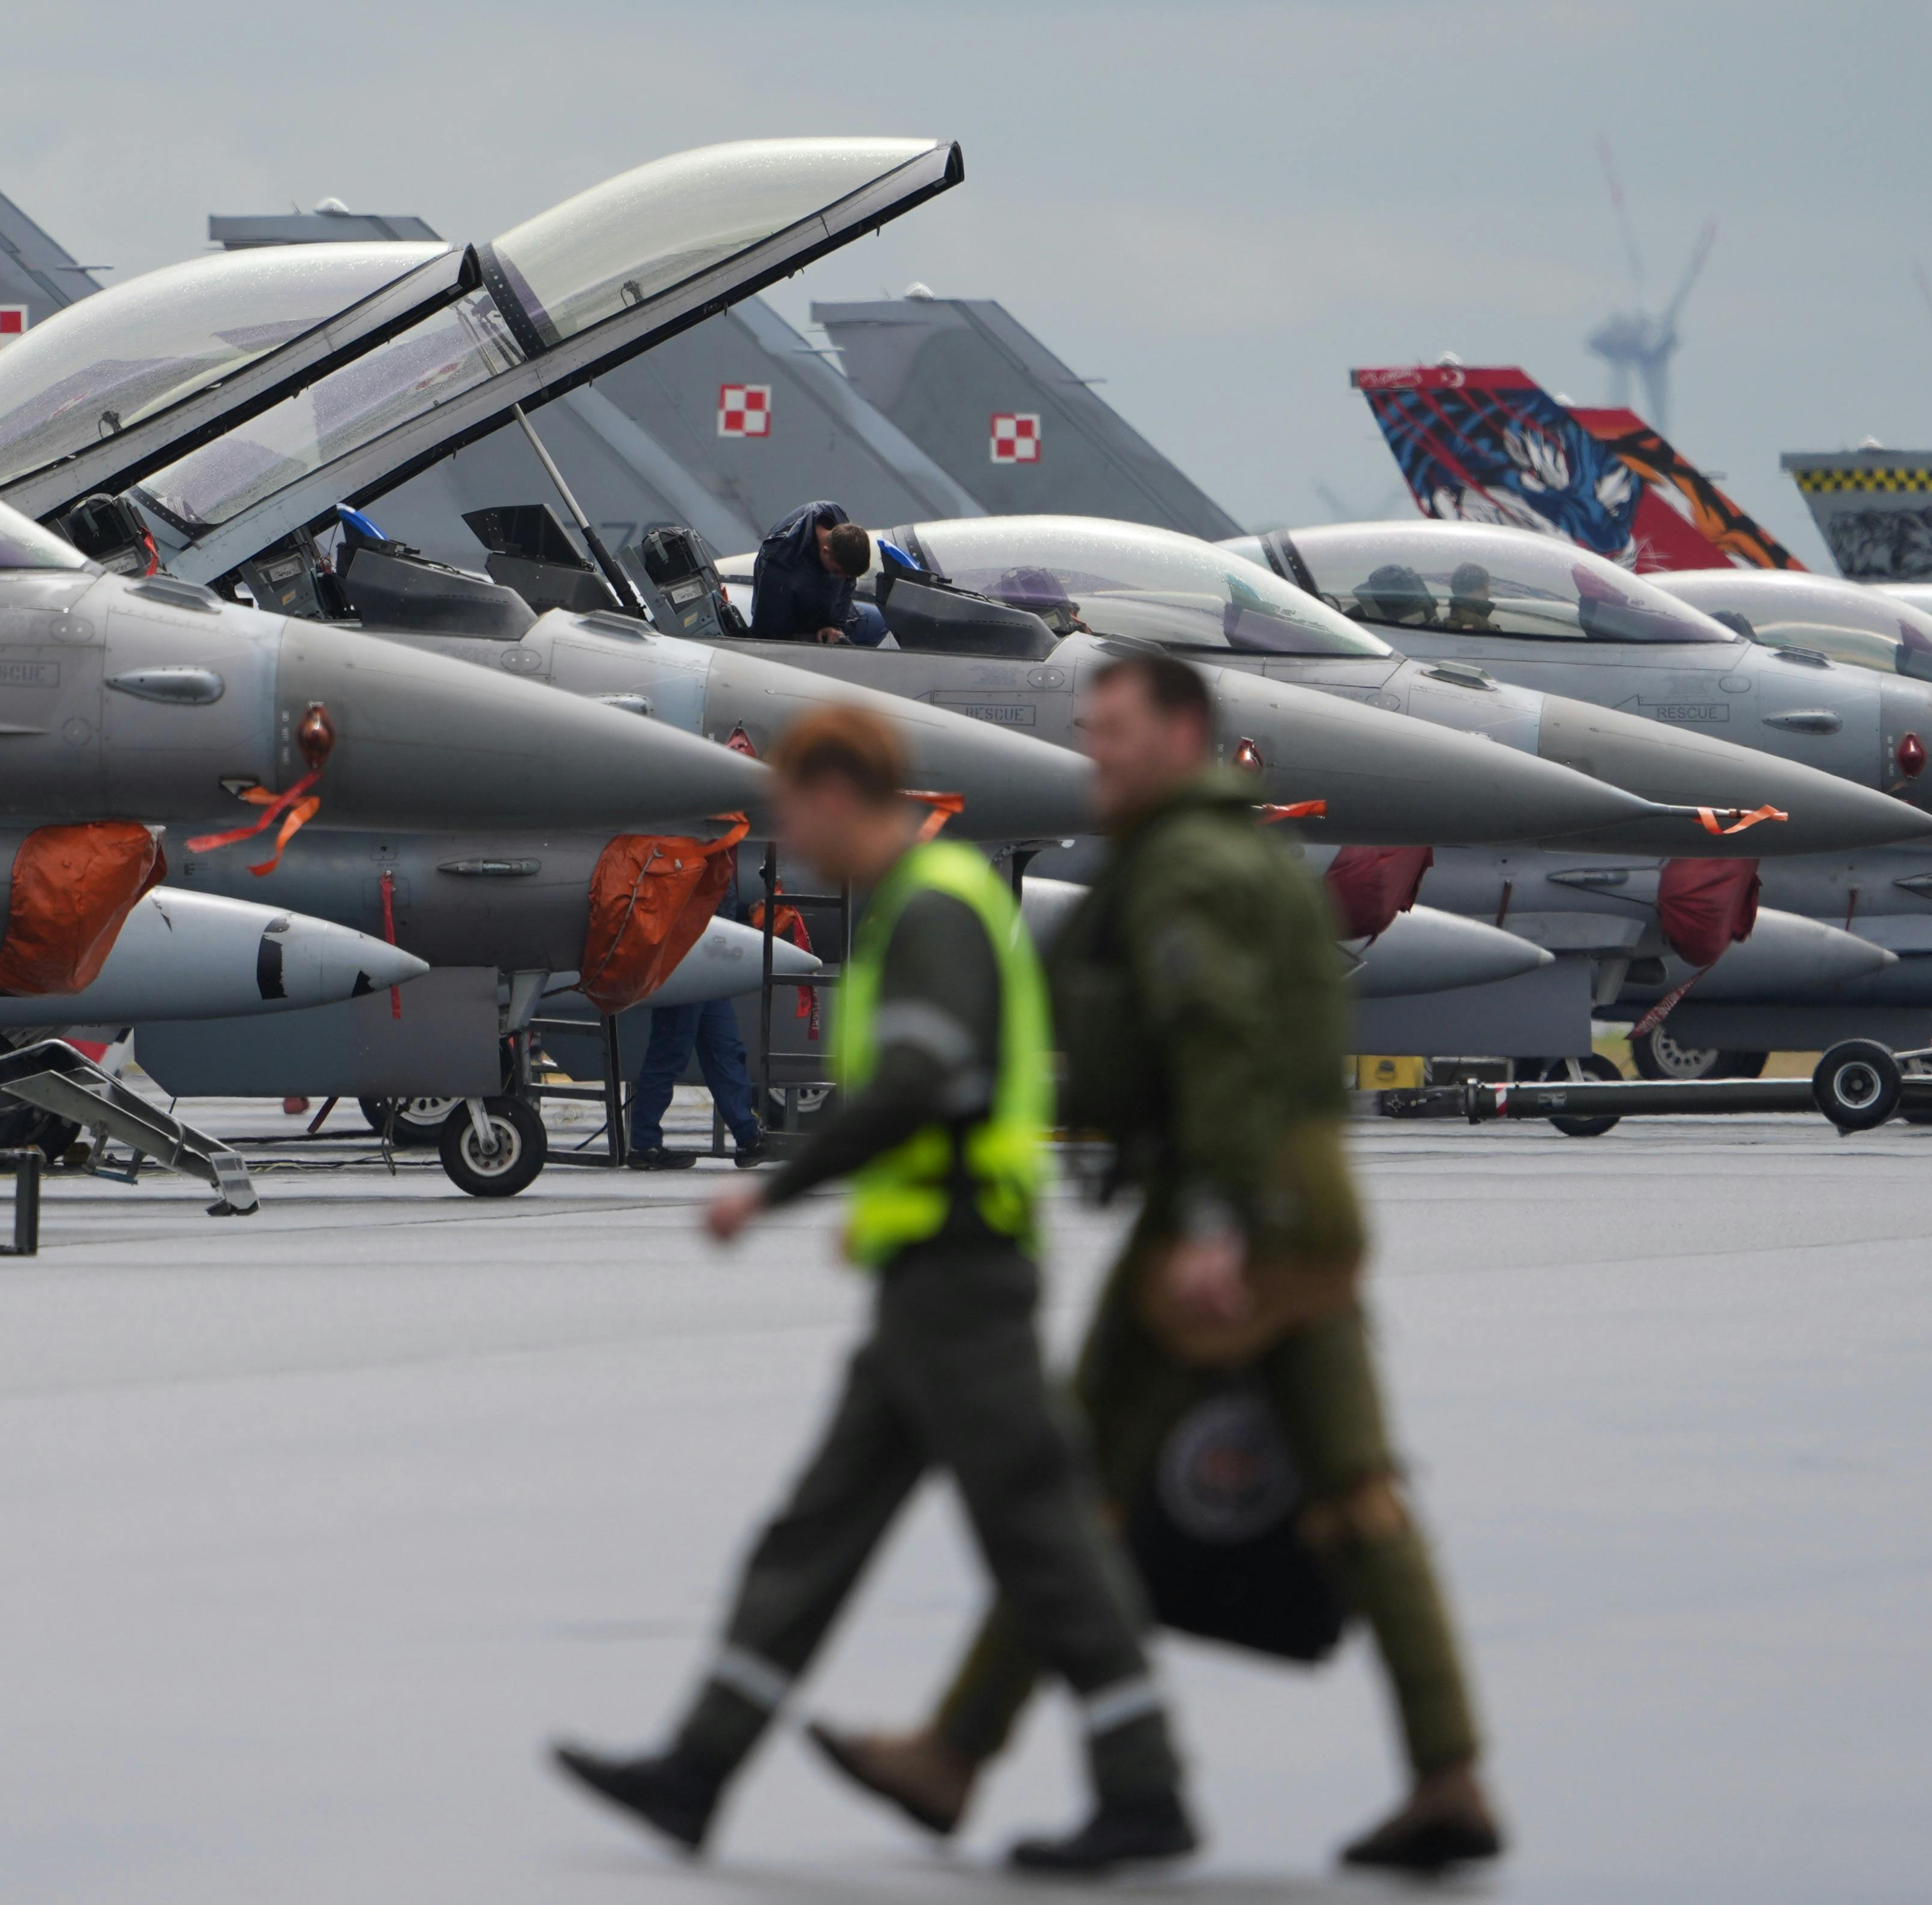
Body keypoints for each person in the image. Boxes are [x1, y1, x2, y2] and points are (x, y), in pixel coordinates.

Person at [805, 649, 1504, 1875]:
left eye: (1116, 730)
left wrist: (1213, 1221)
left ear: (1181, 735)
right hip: (1308, 1204)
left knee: (1079, 1486)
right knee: (1353, 1494)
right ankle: (1448, 1776)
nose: (1096, 751)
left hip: (1220, 1206)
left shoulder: (1181, 867)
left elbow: (1215, 1037)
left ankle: (971, 1754)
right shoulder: (1250, 857)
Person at [551, 704, 1197, 1876]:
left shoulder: (931, 912)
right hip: (927, 1275)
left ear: (843, 796)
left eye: (795, 809)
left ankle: (1144, 1788)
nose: (786, 837)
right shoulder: (921, 907)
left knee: (1039, 1536)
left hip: (961, 1282)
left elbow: (919, 1080)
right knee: (819, 1528)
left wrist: (775, 1192)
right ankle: (696, 1769)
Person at [624, 999, 762, 1169]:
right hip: (684, 981)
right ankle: (644, 1145)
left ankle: (748, 1140)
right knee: (670, 1054)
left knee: (727, 1054)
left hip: (710, 981)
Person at [750, 501, 890, 646]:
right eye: (837, 572)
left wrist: (834, 625)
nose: (842, 578)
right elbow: (768, 632)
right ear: (825, 552)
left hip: (828, 612)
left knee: (882, 624)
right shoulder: (781, 563)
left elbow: (846, 585)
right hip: (791, 627)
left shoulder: (836, 517)